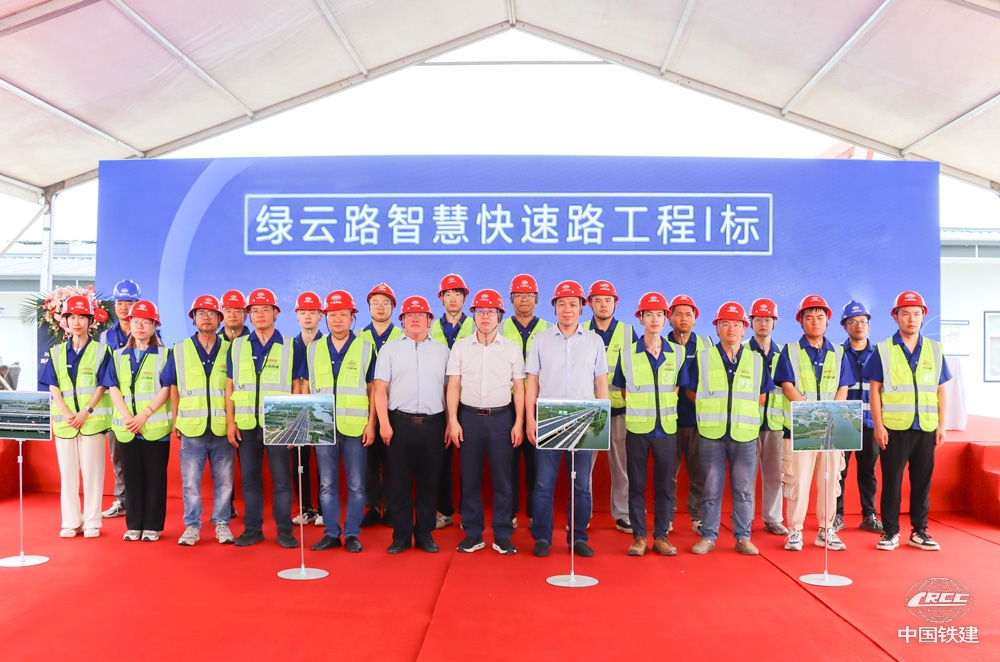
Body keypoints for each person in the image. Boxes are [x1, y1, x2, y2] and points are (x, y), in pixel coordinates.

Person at [527, 280, 609, 558]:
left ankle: (578, 537)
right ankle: (542, 537)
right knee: (543, 484)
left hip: (585, 417)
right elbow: (532, 381)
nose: (567, 309)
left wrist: (602, 421)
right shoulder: (541, 340)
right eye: (561, 304)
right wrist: (530, 419)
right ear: (554, 307)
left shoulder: (594, 341)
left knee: (581, 485)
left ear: (581, 308)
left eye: (573, 304)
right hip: (549, 415)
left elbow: (601, 382)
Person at [865, 291, 951, 552]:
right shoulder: (883, 349)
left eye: (916, 314)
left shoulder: (935, 349)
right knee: (892, 481)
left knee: (922, 483)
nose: (911, 319)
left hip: (925, 427)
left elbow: (941, 390)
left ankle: (919, 531)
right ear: (896, 317)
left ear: (923, 316)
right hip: (894, 428)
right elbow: (875, 390)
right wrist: (878, 426)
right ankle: (890, 532)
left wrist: (942, 425)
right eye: (905, 314)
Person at [446, 289, 525, 555]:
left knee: (503, 480)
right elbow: (453, 385)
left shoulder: (511, 348)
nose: (485, 316)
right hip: (469, 418)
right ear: (473, 315)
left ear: (500, 316)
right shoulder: (461, 347)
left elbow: (519, 388)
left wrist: (519, 423)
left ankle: (502, 534)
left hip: (502, 419)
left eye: (491, 311)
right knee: (470, 479)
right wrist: (453, 421)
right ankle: (472, 533)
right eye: (480, 311)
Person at [690, 302, 772, 555]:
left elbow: (762, 396)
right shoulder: (703, 358)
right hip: (711, 434)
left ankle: (743, 537)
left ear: (745, 328)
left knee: (743, 489)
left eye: (737, 324)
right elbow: (692, 391)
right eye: (725, 324)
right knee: (711, 488)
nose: (731, 329)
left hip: (744, 435)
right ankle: (708, 536)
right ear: (717, 328)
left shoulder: (756, 360)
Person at [226, 288, 304, 548]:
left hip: (279, 422)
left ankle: (284, 530)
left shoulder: (291, 346)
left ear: (276, 313)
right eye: (255, 311)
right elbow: (230, 385)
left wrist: (295, 425)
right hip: (246, 423)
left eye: (265, 310)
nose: (260, 315)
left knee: (282, 481)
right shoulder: (237, 346)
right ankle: (252, 529)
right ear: (249, 315)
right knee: (250, 480)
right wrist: (231, 422)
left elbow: (296, 384)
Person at [773, 295, 852, 552]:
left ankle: (826, 530)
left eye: (820, 317)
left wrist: (830, 413)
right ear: (801, 321)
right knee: (798, 481)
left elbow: (843, 387)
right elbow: (787, 386)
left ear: (827, 321)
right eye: (809, 317)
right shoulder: (790, 351)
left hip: (833, 426)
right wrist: (811, 413)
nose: (815, 322)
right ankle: (795, 531)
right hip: (801, 426)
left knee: (830, 481)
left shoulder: (839, 352)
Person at [373, 296, 450, 554]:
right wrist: (384, 424)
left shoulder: (443, 351)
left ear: (430, 320)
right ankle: (402, 536)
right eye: (410, 315)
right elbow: (380, 389)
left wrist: (450, 423)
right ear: (402, 320)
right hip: (400, 424)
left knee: (430, 482)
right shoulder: (390, 350)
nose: (415, 319)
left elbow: (449, 390)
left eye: (421, 315)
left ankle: (425, 534)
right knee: (399, 483)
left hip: (434, 424)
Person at [302, 290, 376, 553]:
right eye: (332, 315)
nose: (337, 320)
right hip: (322, 427)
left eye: (343, 314)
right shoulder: (313, 349)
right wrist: (304, 425)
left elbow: (373, 390)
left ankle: (352, 534)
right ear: (325, 318)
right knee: (327, 484)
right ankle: (331, 533)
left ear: (352, 317)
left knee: (356, 485)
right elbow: (307, 387)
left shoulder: (365, 348)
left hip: (355, 427)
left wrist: (371, 424)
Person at [613, 292, 683, 556]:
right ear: (640, 318)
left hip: (666, 429)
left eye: (660, 315)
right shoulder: (628, 354)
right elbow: (623, 390)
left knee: (665, 485)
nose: (655, 319)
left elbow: (677, 387)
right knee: (636, 484)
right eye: (649, 314)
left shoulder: (677, 353)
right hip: (637, 429)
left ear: (666, 319)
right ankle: (639, 537)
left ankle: (661, 536)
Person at [42, 295, 114, 539]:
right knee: (68, 474)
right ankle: (72, 521)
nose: (76, 322)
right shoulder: (55, 353)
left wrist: (86, 411)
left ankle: (92, 521)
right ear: (64, 321)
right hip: (65, 423)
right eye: (71, 317)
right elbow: (52, 385)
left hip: (92, 422)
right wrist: (66, 412)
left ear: (90, 321)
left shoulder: (102, 351)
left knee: (93, 474)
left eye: (82, 317)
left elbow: (103, 385)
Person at [107, 300, 175, 542]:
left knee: (155, 477)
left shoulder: (165, 354)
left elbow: (167, 387)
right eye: (135, 322)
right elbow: (112, 387)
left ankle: (153, 526)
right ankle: (134, 524)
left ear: (154, 326)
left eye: (145, 322)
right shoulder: (117, 355)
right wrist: (128, 418)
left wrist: (144, 415)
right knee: (132, 477)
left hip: (155, 427)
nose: (139, 326)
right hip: (127, 428)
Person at [172, 295, 235, 545]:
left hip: (222, 428)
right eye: (201, 314)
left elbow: (234, 388)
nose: (206, 318)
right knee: (190, 483)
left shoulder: (231, 349)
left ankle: (222, 523)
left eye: (211, 314)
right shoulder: (179, 349)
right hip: (191, 427)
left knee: (225, 482)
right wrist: (176, 419)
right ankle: (192, 526)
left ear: (220, 318)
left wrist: (232, 423)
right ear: (193, 319)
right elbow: (173, 386)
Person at [585, 279, 637, 534]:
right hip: (588, 411)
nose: (603, 305)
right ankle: (581, 514)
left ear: (615, 303)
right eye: (598, 300)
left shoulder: (628, 332)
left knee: (622, 467)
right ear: (590, 304)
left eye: (608, 300)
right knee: (583, 468)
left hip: (619, 410)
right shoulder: (580, 330)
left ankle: (623, 514)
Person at [503, 273, 549, 530]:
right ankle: (509, 511)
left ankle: (535, 513)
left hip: (540, 404)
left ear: (537, 299)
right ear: (511, 299)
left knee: (538, 463)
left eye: (529, 295)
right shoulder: (499, 328)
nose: (524, 299)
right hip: (506, 404)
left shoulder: (550, 329)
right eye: (519, 295)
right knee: (507, 462)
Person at [430, 273, 474, 530]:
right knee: (440, 460)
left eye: (458, 293)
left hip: (468, 400)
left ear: (465, 298)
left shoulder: (477, 324)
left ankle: (468, 513)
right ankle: (444, 511)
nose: (453, 298)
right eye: (448, 294)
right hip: (437, 400)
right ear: (441, 298)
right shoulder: (431, 327)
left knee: (469, 462)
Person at [666, 294, 713, 534]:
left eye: (688, 314)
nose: (683, 319)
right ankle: (666, 517)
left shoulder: (707, 345)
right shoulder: (660, 344)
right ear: (669, 318)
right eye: (678, 314)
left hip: (698, 421)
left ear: (695, 318)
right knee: (667, 474)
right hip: (668, 420)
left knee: (699, 474)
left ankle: (698, 517)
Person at [836, 300, 883, 534]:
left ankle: (869, 516)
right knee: (839, 472)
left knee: (868, 472)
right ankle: (836, 515)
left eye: (863, 321)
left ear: (869, 325)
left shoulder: (880, 354)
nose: (859, 326)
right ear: (845, 326)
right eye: (852, 322)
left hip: (870, 422)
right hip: (843, 421)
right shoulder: (836, 353)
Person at [358, 282, 402, 528]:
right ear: (368, 308)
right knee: (370, 461)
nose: (380, 307)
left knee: (394, 460)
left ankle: (392, 507)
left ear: (393, 307)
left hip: (395, 407)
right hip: (365, 408)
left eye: (386, 303)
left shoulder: (402, 336)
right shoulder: (358, 337)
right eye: (375, 303)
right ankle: (373, 506)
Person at [746, 298, 789, 535]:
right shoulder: (741, 350)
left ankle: (773, 518)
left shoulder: (783, 354)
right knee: (745, 475)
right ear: (751, 321)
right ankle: (745, 518)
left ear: (775, 322)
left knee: (774, 475)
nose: (763, 323)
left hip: (775, 424)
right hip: (747, 424)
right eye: (758, 319)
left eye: (768, 319)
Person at [100, 278, 142, 519]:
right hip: (116, 408)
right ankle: (122, 500)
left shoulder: (150, 332)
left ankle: (142, 500)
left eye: (129, 303)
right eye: (120, 303)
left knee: (144, 457)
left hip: (143, 407)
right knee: (118, 456)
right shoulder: (105, 337)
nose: (124, 308)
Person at [290, 291, 324, 526]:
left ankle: (323, 509)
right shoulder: (289, 346)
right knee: (299, 461)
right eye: (303, 312)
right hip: (295, 409)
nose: (308, 316)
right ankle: (306, 508)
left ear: (320, 315)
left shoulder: (328, 344)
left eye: (312, 312)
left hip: (320, 410)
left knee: (323, 462)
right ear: (297, 316)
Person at [219, 288, 249, 519]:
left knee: (248, 467)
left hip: (247, 411)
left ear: (245, 314)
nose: (232, 314)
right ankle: (226, 506)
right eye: (228, 310)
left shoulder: (253, 340)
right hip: (218, 412)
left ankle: (252, 509)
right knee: (222, 466)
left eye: (237, 310)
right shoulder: (212, 341)